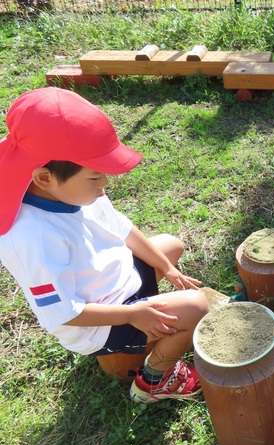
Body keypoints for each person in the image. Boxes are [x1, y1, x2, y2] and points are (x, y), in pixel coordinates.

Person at [0, 87, 209, 403]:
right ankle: (156, 379)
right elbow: (61, 314)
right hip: (95, 323)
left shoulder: (73, 191)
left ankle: (148, 319)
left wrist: (165, 267)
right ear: (44, 178)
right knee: (197, 307)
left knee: (170, 246)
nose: (105, 185)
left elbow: (122, 229)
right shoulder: (34, 239)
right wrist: (131, 314)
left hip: (113, 283)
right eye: (96, 178)